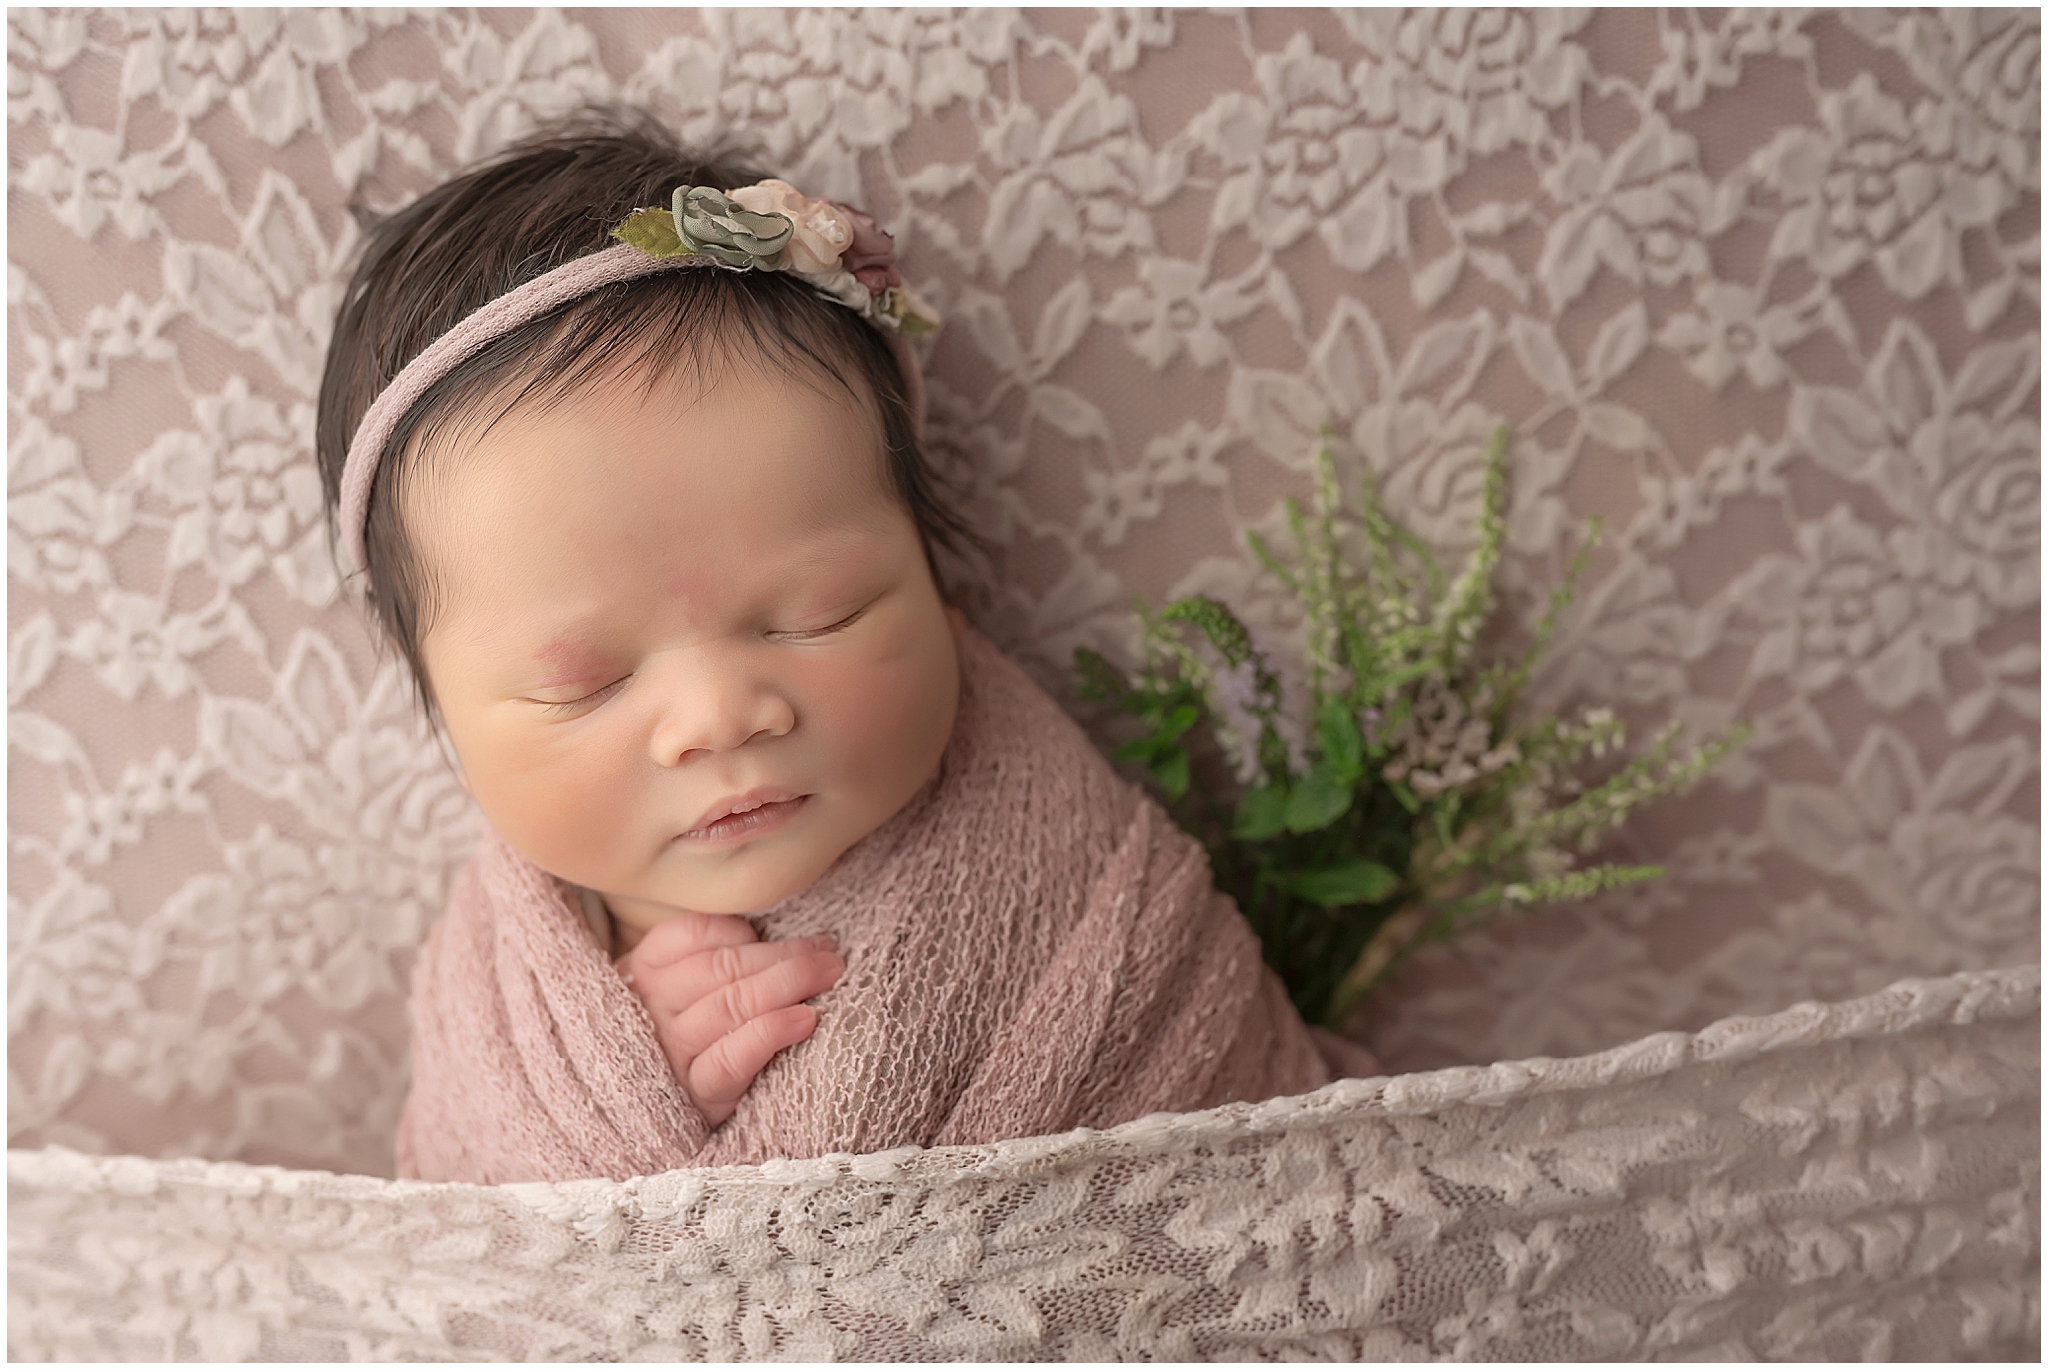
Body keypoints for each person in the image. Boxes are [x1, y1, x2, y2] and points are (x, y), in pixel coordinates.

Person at [318, 110, 1373, 1185]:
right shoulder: (503, 1009)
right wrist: (618, 1081)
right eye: (584, 681)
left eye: (818, 613)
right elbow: (478, 1246)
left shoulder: (1076, 887)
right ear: (445, 715)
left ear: (941, 592)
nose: (722, 715)